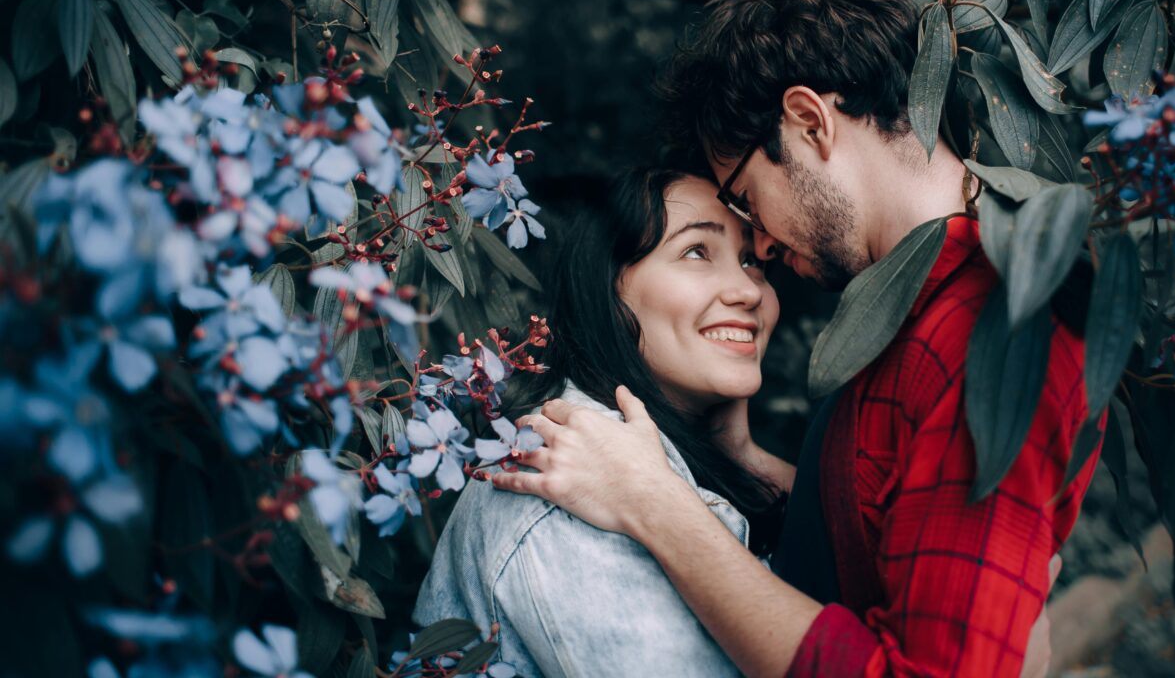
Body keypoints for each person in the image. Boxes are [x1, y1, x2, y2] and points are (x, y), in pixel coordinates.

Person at [493, 0, 1099, 678]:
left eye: (748, 201)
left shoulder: (994, 329)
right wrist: (727, 462)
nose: (766, 253)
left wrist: (659, 507)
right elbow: (875, 540)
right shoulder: (906, 318)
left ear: (810, 121)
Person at [414, 166, 1057, 678]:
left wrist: (737, 452)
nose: (748, 290)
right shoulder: (565, 481)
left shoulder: (690, 476)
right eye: (697, 251)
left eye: (753, 261)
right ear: (604, 290)